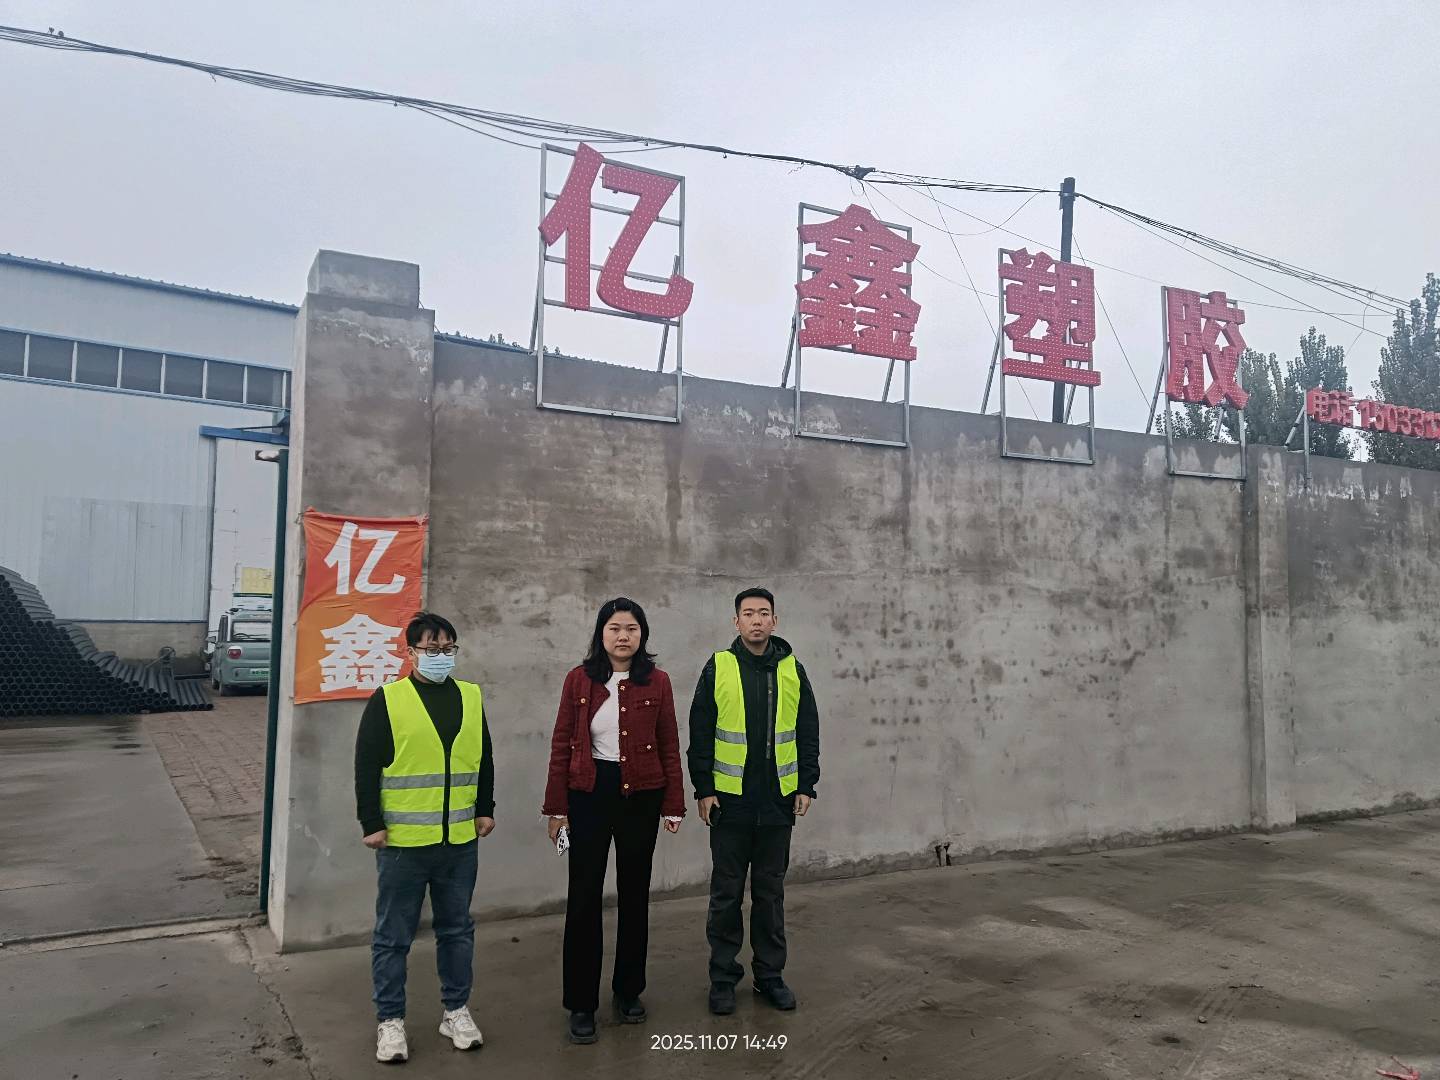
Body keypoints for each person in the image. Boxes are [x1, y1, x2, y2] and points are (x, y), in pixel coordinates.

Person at [543, 597, 686, 1044]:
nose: (623, 636)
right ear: (601, 634)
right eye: (614, 628)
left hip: (641, 795)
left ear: (642, 635)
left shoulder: (657, 681)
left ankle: (628, 991)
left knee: (635, 895)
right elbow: (562, 743)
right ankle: (581, 1003)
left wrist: (673, 804)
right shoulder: (579, 679)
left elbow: (669, 743)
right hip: (589, 793)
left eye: (631, 629)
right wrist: (557, 809)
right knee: (584, 898)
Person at [354, 611, 495, 1064]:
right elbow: (366, 764)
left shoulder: (470, 696)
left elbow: (483, 757)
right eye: (431, 649)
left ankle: (455, 1011)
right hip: (402, 845)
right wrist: (371, 823)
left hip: (459, 842)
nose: (441, 656)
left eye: (448, 648)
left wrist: (485, 809)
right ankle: (390, 1020)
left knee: (457, 932)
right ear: (410, 652)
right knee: (393, 937)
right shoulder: (389, 699)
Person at [686, 587, 820, 1016]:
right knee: (726, 895)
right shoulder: (719, 667)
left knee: (770, 895)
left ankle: (770, 976)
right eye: (748, 613)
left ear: (774, 621)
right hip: (731, 803)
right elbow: (700, 731)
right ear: (736, 622)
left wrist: (806, 784)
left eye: (764, 613)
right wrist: (704, 788)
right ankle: (723, 978)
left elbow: (807, 730)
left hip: (777, 803)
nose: (757, 620)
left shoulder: (793, 669)